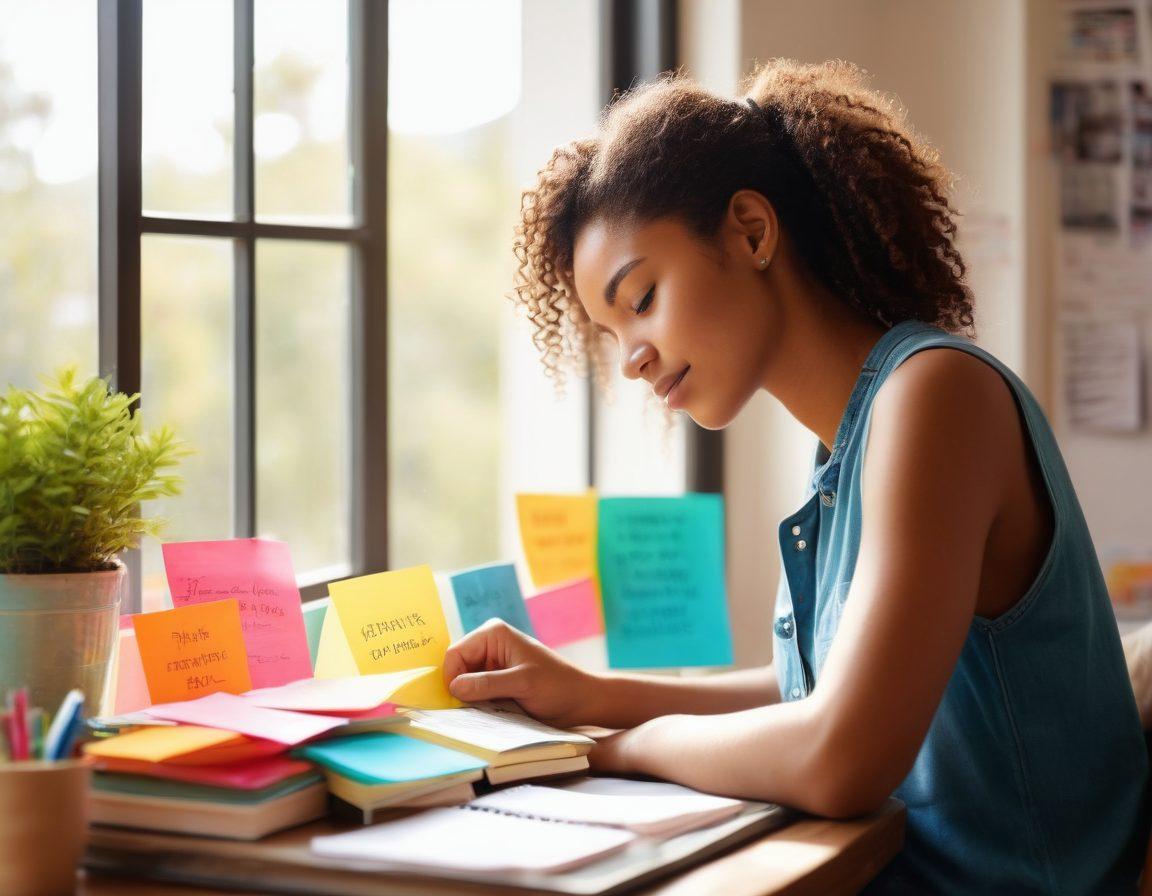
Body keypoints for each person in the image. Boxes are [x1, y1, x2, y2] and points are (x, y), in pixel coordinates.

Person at [443, 58, 1150, 893]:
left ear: (749, 231)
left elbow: (838, 755)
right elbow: (804, 696)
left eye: (641, 299)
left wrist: (607, 748)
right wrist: (586, 692)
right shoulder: (849, 449)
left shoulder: (937, 398)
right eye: (609, 333)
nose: (630, 360)